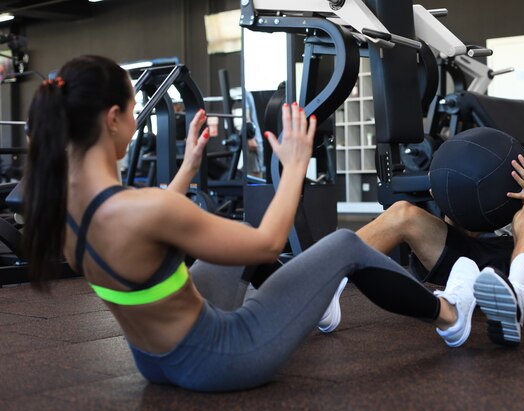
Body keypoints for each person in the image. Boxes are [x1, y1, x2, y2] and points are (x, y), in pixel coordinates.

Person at [22, 55, 482, 393]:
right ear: (113, 119)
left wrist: (187, 167)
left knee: (223, 252)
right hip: (221, 358)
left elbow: (139, 222)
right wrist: (295, 165)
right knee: (344, 244)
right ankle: (451, 316)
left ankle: (316, 306)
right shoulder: (144, 208)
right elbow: (267, 243)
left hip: (154, 359)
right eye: (134, 106)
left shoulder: (60, 206)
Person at [356, 80, 524, 347]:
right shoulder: (508, 157)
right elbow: (471, 229)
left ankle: (516, 299)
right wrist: (451, 198)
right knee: (402, 212)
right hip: (485, 262)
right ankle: (331, 277)